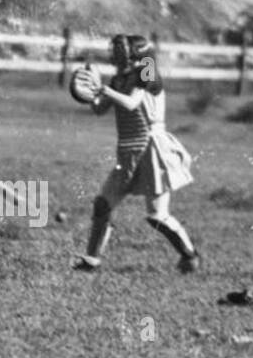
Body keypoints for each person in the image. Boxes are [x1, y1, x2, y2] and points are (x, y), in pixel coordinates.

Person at [73, 34, 200, 273]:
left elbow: (132, 103)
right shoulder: (119, 78)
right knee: (102, 205)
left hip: (153, 148)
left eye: (123, 49)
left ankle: (190, 255)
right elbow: (100, 109)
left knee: (157, 216)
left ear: (137, 52)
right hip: (128, 148)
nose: (117, 54)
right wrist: (90, 93)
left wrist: (103, 89)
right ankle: (91, 260)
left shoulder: (147, 69)